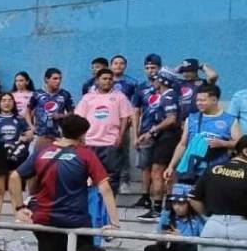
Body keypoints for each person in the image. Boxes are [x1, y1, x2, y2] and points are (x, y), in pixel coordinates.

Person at [10, 114, 120, 251]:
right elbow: (105, 188)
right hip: (75, 221)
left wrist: (19, 208)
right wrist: (115, 223)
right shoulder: (86, 155)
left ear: (61, 131)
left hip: (45, 220)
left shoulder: (42, 152)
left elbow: (15, 176)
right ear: (82, 134)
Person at [165, 83, 240, 186]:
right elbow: (182, 145)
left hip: (217, 171)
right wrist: (171, 167)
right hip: (191, 171)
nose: (199, 103)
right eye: (197, 100)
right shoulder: (191, 118)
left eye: (203, 100)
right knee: (186, 200)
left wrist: (223, 143)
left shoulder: (229, 120)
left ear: (214, 100)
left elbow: (240, 143)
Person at [74, 67, 133, 193]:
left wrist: (120, 136)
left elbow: (124, 118)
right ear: (97, 81)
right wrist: (80, 138)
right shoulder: (87, 98)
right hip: (90, 142)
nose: (108, 81)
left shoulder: (120, 97)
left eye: (110, 79)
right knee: (87, 174)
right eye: (104, 79)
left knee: (111, 176)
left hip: (110, 142)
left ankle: (108, 203)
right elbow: (79, 118)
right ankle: (90, 201)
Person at [132, 63, 180, 217]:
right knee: (161, 172)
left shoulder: (168, 96)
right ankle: (164, 208)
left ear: (163, 81)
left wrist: (153, 130)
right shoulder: (167, 95)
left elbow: (171, 119)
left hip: (168, 138)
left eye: (156, 79)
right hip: (163, 137)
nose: (153, 82)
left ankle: (159, 209)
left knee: (158, 172)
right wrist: (150, 134)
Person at [0, 92, 32, 215]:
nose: (7, 103)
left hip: (15, 155)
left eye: (9, 100)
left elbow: (30, 134)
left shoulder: (19, 119)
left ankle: (18, 217)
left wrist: (26, 138)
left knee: (14, 189)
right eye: (3, 100)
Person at [140, 189, 204, 251]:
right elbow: (158, 238)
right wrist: (162, 238)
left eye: (181, 204)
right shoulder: (168, 217)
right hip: (171, 250)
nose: (177, 207)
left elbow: (202, 242)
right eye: (174, 204)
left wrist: (182, 238)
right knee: (150, 249)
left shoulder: (197, 220)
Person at [26, 68, 74, 149]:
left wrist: (61, 116)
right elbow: (28, 111)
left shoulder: (65, 94)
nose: (58, 81)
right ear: (46, 79)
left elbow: (72, 113)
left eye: (60, 79)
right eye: (55, 78)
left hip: (59, 136)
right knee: (35, 158)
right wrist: (31, 126)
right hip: (39, 134)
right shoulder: (37, 94)